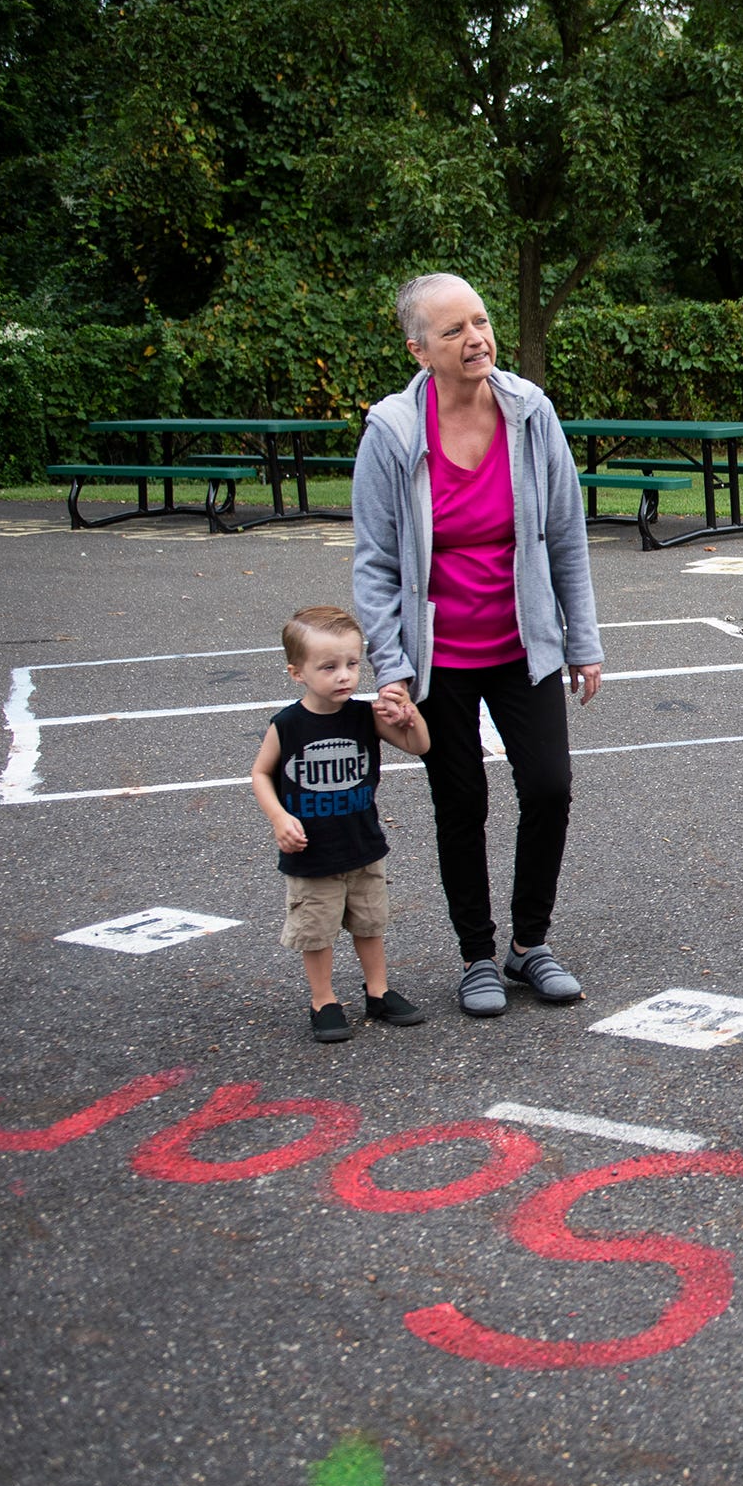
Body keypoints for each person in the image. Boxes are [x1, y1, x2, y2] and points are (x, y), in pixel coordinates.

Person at [355, 273, 602, 1020]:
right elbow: (374, 564)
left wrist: (581, 641)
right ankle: (475, 956)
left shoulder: (530, 412)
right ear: (419, 348)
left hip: (522, 643)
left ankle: (529, 945)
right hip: (440, 657)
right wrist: (392, 668)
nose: (477, 339)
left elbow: (565, 534)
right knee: (461, 802)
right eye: (456, 329)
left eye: (482, 321)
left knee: (550, 788)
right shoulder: (394, 433)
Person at [250, 605, 432, 1044]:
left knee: (370, 924)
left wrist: (411, 715)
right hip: (311, 852)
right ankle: (323, 1000)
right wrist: (279, 817)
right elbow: (260, 773)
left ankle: (379, 991)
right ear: (297, 673)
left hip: (363, 845)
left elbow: (419, 745)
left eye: (352, 664)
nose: (344, 676)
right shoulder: (288, 725)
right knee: (317, 931)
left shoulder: (365, 715)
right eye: (328, 667)